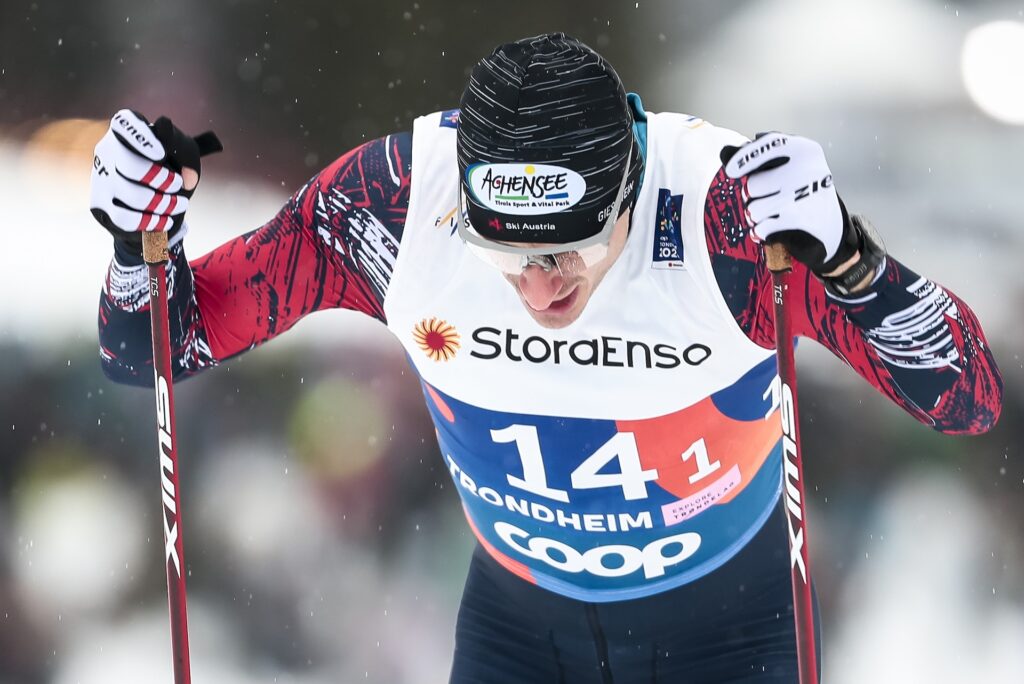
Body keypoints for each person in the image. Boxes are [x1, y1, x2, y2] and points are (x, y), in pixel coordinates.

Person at [90, 33, 1002, 683]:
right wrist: (137, 247)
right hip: (520, 631)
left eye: (568, 251)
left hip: (729, 627)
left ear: (631, 195)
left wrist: (848, 257)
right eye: (507, 255)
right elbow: (153, 350)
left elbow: (966, 396)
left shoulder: (726, 218)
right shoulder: (395, 205)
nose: (538, 289)